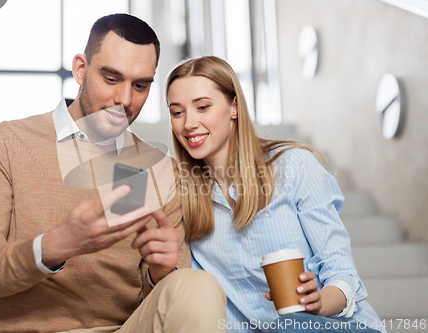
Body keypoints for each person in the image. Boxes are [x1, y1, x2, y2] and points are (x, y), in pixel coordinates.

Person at [0, 14, 226, 333]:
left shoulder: (159, 168)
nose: (124, 100)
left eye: (140, 85)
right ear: (81, 69)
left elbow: (171, 302)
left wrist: (160, 272)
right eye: (111, 78)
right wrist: (54, 246)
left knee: (199, 284)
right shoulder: (5, 144)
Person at [165, 56, 386, 333]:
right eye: (177, 112)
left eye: (203, 107)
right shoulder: (185, 197)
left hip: (334, 326)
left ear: (234, 106)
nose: (189, 123)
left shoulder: (293, 166)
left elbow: (342, 272)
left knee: (292, 326)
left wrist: (317, 304)